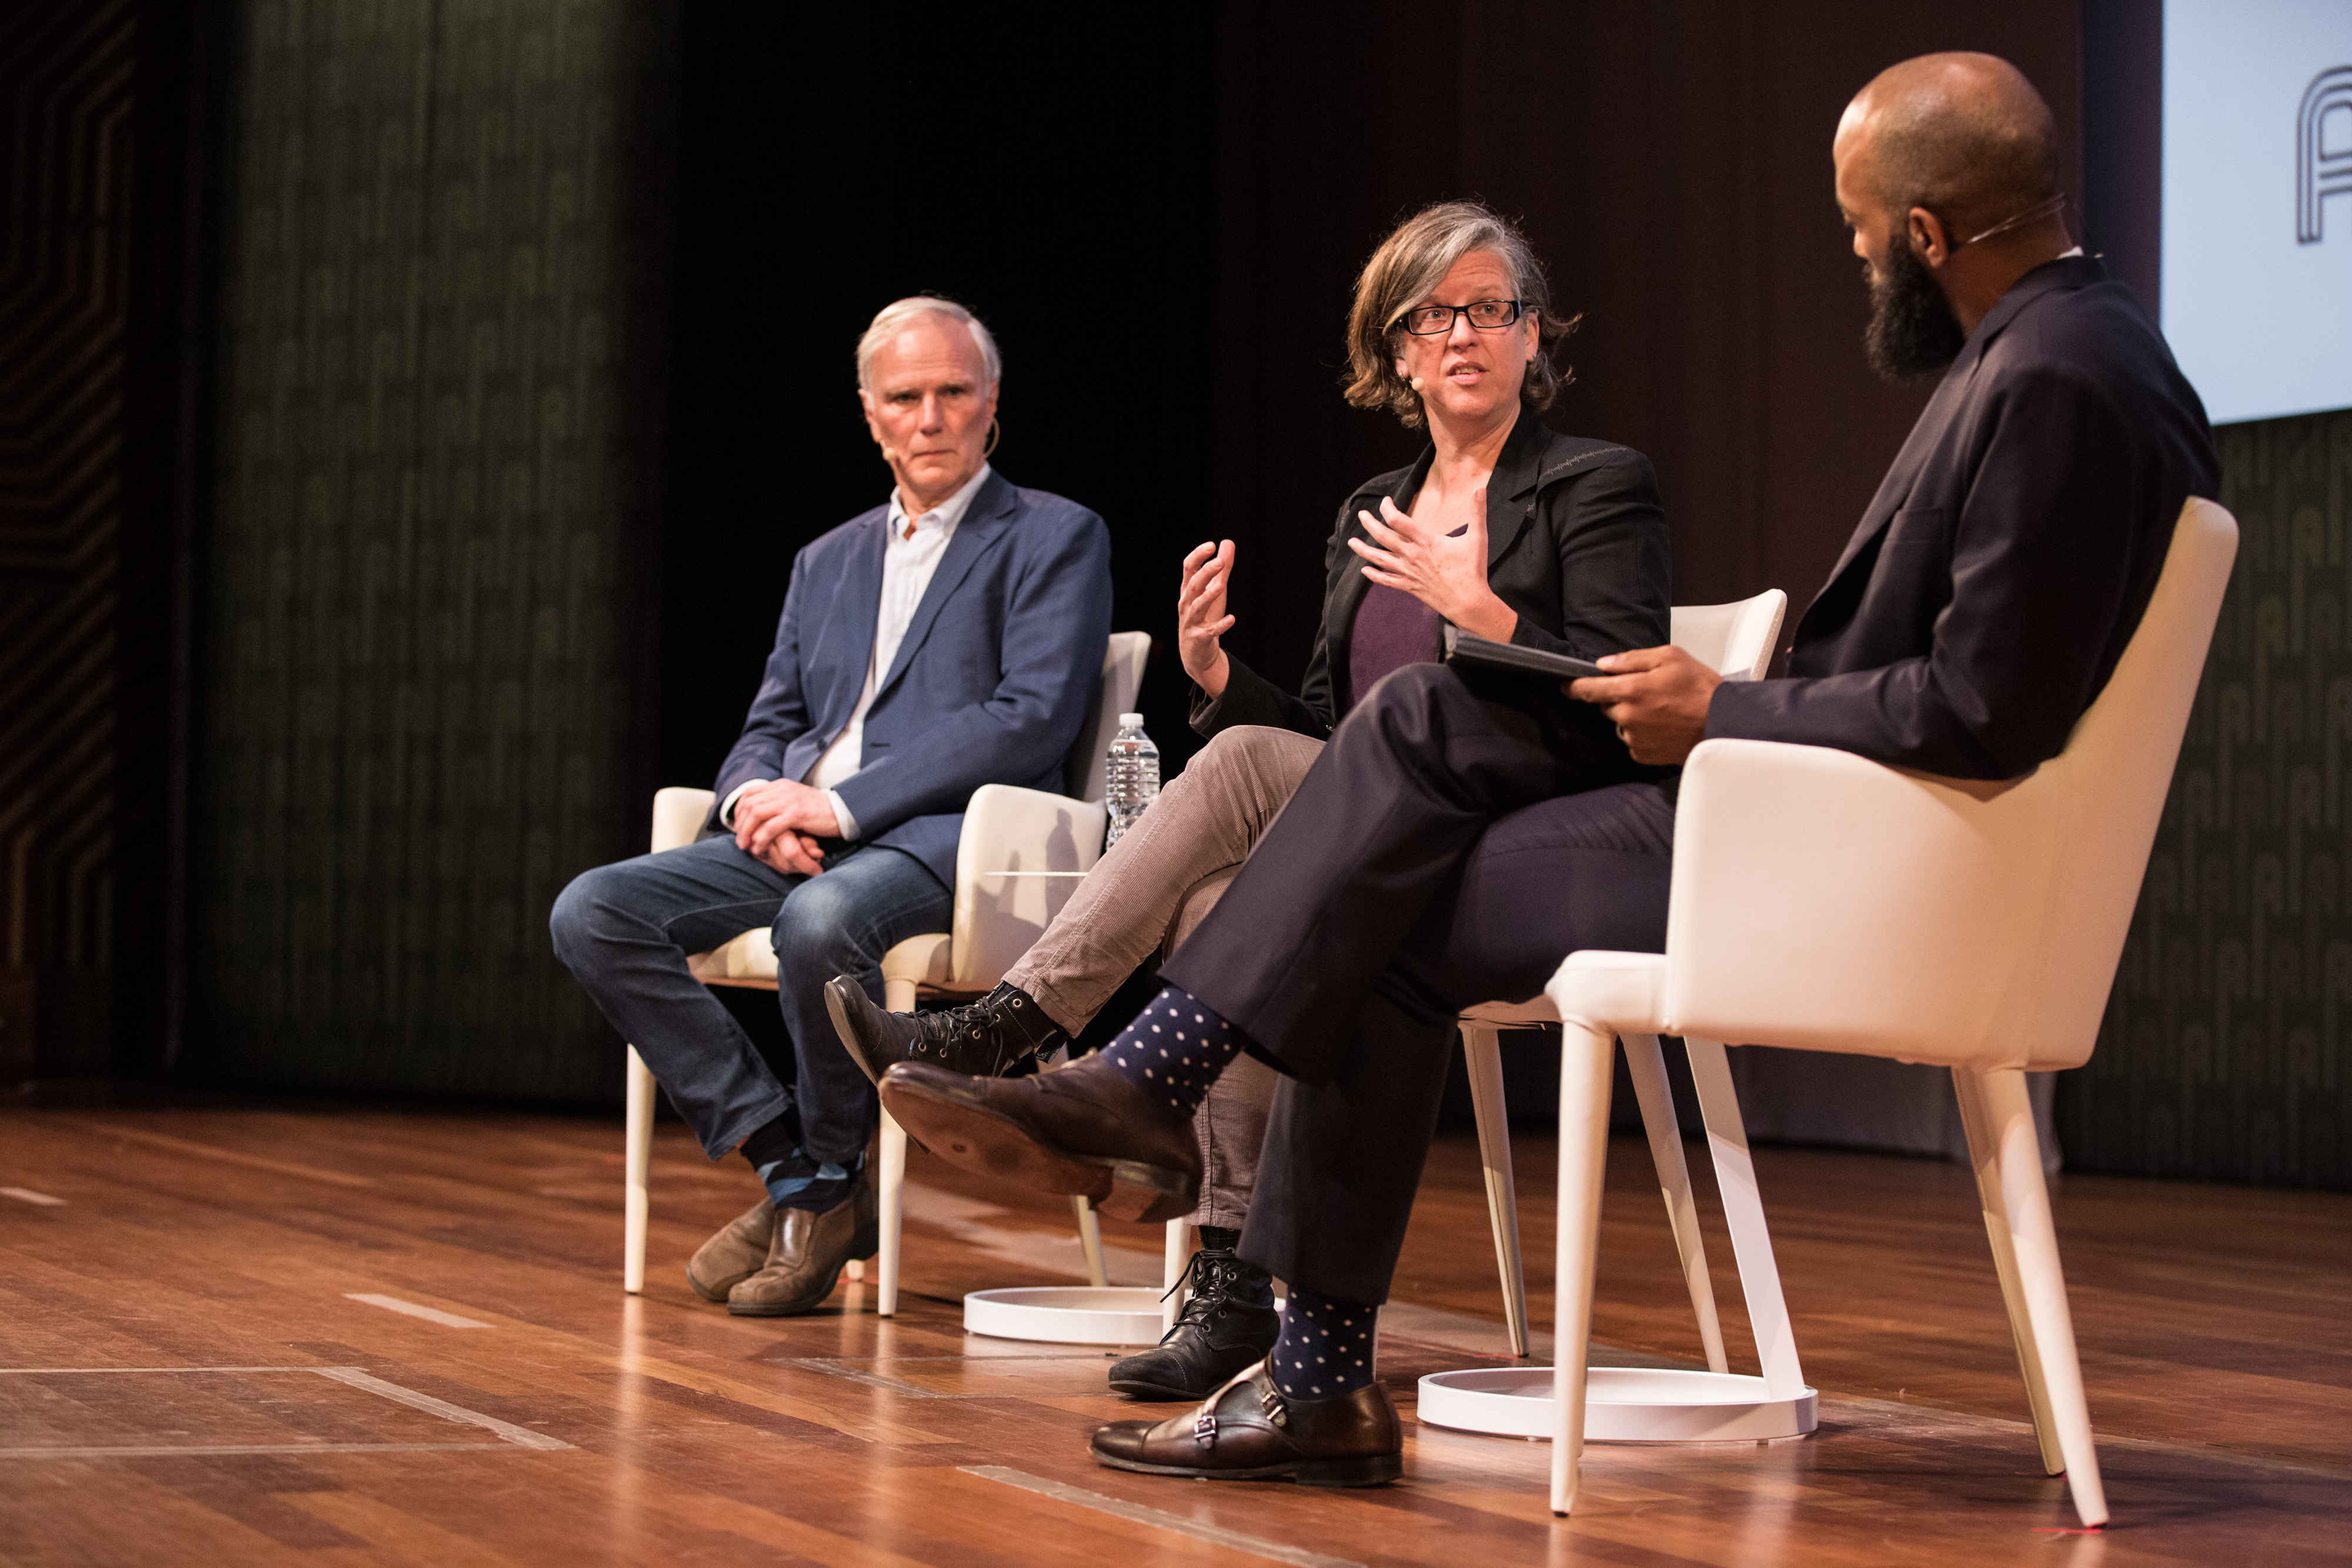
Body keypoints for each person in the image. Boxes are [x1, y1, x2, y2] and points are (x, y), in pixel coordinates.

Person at [878, 51, 2220, 1487]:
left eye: (1853, 224)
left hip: (1832, 854)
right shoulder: (2061, 351)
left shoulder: (2060, 376)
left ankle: (1187, 1148)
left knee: (1374, 889)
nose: (1850, 251)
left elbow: (1984, 708)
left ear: (1924, 232)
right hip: (1795, 824)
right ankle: (1221, 1218)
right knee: (1389, 799)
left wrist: (1727, 712)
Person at [824, 201, 1672, 1399]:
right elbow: (1330, 738)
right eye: (1432, 315)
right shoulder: (1367, 514)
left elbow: (1624, 690)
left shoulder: (1593, 484)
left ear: (1535, 337)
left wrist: (1478, 611)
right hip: (1375, 828)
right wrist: (1222, 679)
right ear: (1392, 352)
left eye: (1493, 309)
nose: (1464, 334)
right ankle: (1228, 1290)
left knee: (1229, 783)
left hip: (1523, 828)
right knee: (1227, 883)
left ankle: (1024, 1035)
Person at [549, 297, 1111, 1316]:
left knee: (821, 922)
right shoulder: (828, 559)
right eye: (907, 397)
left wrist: (840, 808)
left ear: (992, 405)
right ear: (870, 414)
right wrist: (751, 802)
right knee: (594, 910)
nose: (931, 417)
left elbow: (1028, 719)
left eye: (953, 393)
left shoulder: (1054, 535)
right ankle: (800, 1173)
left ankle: (817, 1189)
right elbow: (772, 718)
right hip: (805, 831)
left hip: (946, 841)